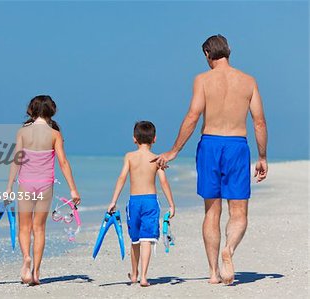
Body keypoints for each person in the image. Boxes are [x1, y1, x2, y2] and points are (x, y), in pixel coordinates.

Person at [151, 34, 268, 285]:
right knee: (238, 212)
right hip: (237, 145)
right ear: (229, 51)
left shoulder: (202, 80)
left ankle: (214, 273)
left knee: (211, 211)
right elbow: (259, 121)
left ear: (207, 54)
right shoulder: (248, 81)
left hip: (210, 145)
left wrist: (173, 151)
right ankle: (230, 249)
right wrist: (262, 156)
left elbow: (193, 116)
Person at [5, 95, 81, 285]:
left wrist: (8, 187)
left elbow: (16, 160)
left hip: (26, 184)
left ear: (31, 110)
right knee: (39, 228)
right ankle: (36, 273)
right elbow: (63, 162)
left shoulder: (22, 132)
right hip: (45, 185)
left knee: (24, 227)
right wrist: (73, 190)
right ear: (51, 111)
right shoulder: (55, 134)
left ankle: (26, 260)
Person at [107, 121, 175, 287]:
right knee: (147, 239)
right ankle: (144, 277)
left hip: (134, 202)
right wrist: (171, 204)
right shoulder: (157, 159)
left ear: (134, 139)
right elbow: (164, 182)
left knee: (135, 239)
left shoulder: (129, 157)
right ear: (155, 139)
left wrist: (113, 200)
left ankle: (134, 274)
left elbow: (122, 178)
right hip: (151, 201)